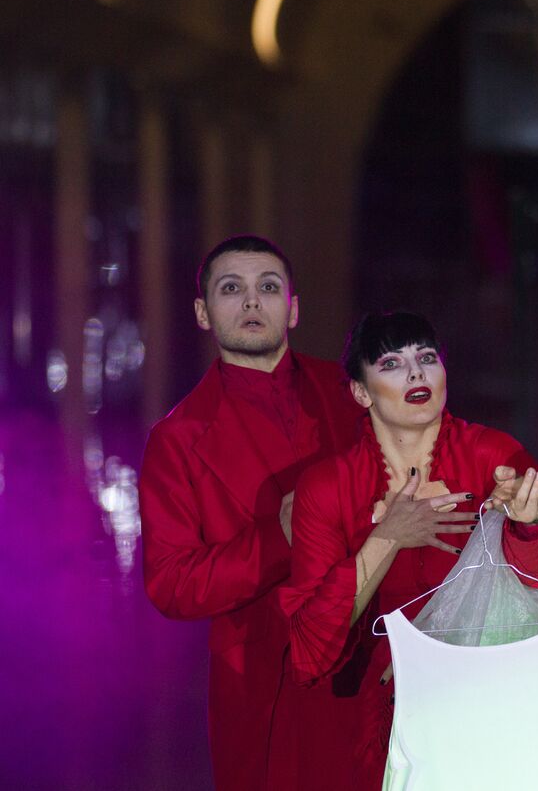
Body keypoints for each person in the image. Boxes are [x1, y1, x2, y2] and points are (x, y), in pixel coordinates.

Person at [277, 311, 538, 790]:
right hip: (371, 723)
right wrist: (388, 536)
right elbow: (309, 652)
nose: (416, 373)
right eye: (391, 363)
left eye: (426, 358)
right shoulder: (327, 487)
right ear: (360, 391)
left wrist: (530, 525)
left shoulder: (493, 456)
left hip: (484, 713)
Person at [138, 235, 364, 790]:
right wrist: (283, 534)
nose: (250, 303)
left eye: (267, 288)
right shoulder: (178, 437)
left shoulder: (351, 394)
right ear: (202, 311)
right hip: (265, 674)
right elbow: (171, 584)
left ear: (292, 307)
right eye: (230, 289)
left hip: (370, 649)